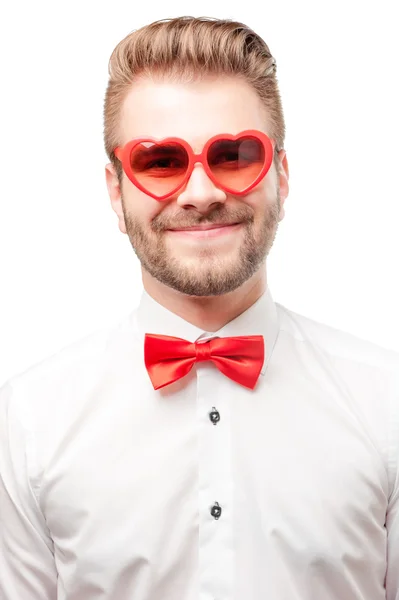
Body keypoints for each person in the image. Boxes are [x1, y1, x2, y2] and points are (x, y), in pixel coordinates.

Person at [0, 15, 398, 600]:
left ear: (281, 179)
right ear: (117, 191)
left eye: (234, 155)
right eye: (160, 162)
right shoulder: (29, 420)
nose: (202, 193)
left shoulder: (387, 401)